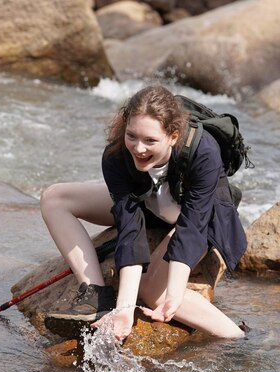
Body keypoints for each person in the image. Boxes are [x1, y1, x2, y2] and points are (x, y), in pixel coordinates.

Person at [40, 85, 247, 341]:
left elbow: (192, 227)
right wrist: (124, 308)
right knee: (54, 199)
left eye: (150, 141)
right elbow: (130, 226)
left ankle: (238, 336)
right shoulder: (116, 155)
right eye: (132, 136)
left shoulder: (203, 151)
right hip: (151, 202)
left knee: (152, 290)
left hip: (197, 213)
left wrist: (175, 293)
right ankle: (96, 295)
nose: (138, 148)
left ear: (173, 136)